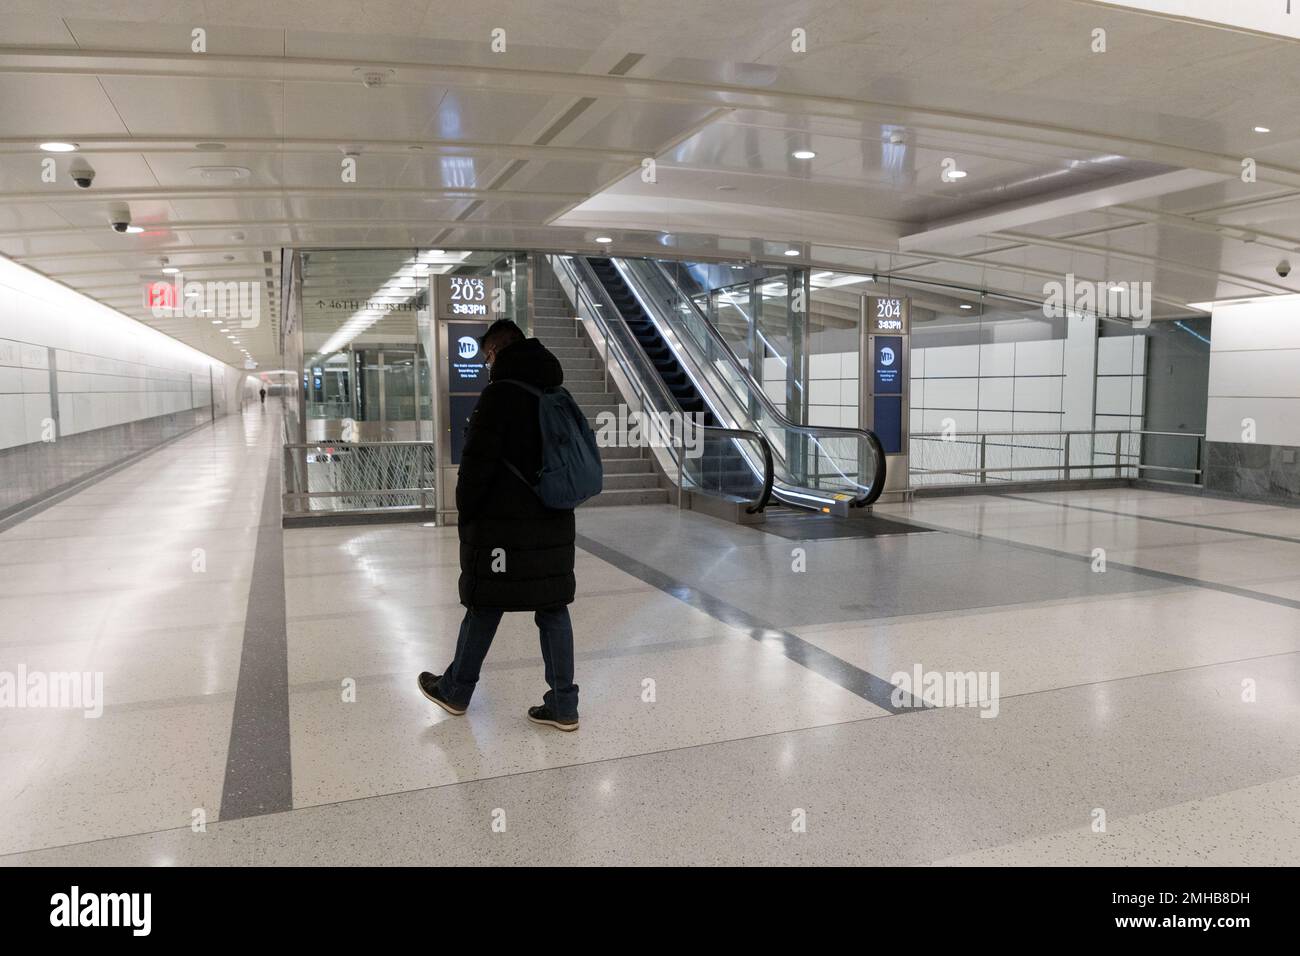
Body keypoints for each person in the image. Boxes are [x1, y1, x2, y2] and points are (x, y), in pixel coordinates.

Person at [418, 318, 580, 731]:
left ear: (498, 350)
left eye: (488, 355)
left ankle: (456, 691)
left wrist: (466, 512)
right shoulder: (555, 391)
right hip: (555, 519)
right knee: (553, 608)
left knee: (485, 605)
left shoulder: (498, 395)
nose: (487, 363)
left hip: (503, 529)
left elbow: (476, 467)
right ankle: (564, 704)